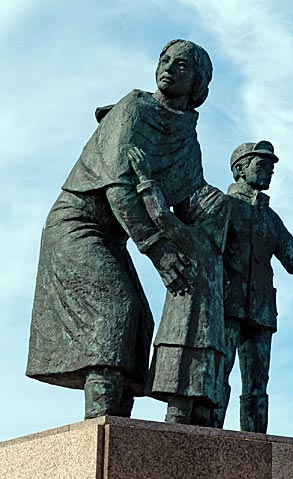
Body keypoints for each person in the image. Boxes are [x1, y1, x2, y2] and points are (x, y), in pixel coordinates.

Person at [26, 39, 213, 419]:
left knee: (138, 323)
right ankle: (99, 428)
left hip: (113, 236)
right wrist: (157, 249)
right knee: (118, 311)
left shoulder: (186, 139)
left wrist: (233, 219)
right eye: (165, 60)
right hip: (76, 224)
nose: (169, 67)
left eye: (181, 65)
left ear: (198, 82)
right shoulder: (134, 108)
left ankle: (118, 427)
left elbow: (193, 201)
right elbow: (119, 187)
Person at [213, 140, 293, 432]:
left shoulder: (271, 219)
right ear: (240, 169)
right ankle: (209, 439)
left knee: (258, 385)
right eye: (262, 165)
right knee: (217, 376)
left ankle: (255, 444)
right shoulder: (224, 206)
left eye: (271, 167)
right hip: (226, 306)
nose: (269, 171)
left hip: (261, 313)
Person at [128, 146, 230, 426]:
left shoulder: (196, 243)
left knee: (179, 409)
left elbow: (161, 216)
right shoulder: (213, 256)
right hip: (207, 344)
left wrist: (144, 177)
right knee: (200, 414)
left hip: (186, 339)